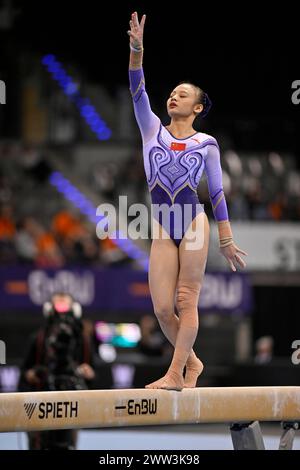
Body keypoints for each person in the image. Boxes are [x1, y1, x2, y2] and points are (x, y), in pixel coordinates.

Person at [127, 12, 248, 391]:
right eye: (172, 92)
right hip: (165, 226)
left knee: (185, 300)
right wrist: (137, 50)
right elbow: (137, 89)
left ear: (197, 107)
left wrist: (226, 239)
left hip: (194, 224)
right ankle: (192, 362)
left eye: (183, 94)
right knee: (163, 309)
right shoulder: (151, 131)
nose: (173, 96)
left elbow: (216, 192)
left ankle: (175, 374)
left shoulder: (206, 143)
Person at [18, 292, 95, 450]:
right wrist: (32, 374)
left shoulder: (82, 339)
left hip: (71, 404)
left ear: (74, 309)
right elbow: (25, 371)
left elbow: (92, 372)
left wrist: (87, 372)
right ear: (49, 309)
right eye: (57, 304)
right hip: (40, 401)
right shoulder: (38, 338)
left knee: (68, 443)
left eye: (64, 304)